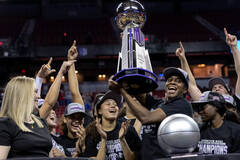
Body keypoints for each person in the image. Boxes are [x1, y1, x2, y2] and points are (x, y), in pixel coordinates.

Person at [108, 67, 193, 159]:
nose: (172, 82)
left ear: (185, 90)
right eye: (169, 80)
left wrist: (121, 90)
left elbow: (146, 118)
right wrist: (125, 82)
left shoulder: (181, 105)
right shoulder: (159, 104)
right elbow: (139, 94)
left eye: (178, 81)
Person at [176, 28, 240, 118]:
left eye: (220, 87)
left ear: (229, 92)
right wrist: (183, 59)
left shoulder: (235, 100)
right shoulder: (206, 101)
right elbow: (190, 84)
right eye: (214, 88)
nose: (217, 88)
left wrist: (234, 47)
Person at [0, 76, 52, 159]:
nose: (38, 96)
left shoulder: (42, 122)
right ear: (23, 95)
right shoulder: (5, 124)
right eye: (35, 92)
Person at [53, 40, 89, 157]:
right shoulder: (58, 142)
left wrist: (71, 62)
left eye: (80, 117)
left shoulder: (91, 138)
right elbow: (74, 93)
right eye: (72, 117)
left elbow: (75, 93)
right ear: (64, 119)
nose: (77, 120)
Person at [82, 91, 141, 160]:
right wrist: (104, 139)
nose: (113, 106)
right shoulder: (92, 133)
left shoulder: (127, 129)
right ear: (99, 111)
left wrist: (122, 139)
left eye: (115, 104)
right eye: (108, 104)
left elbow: (135, 158)